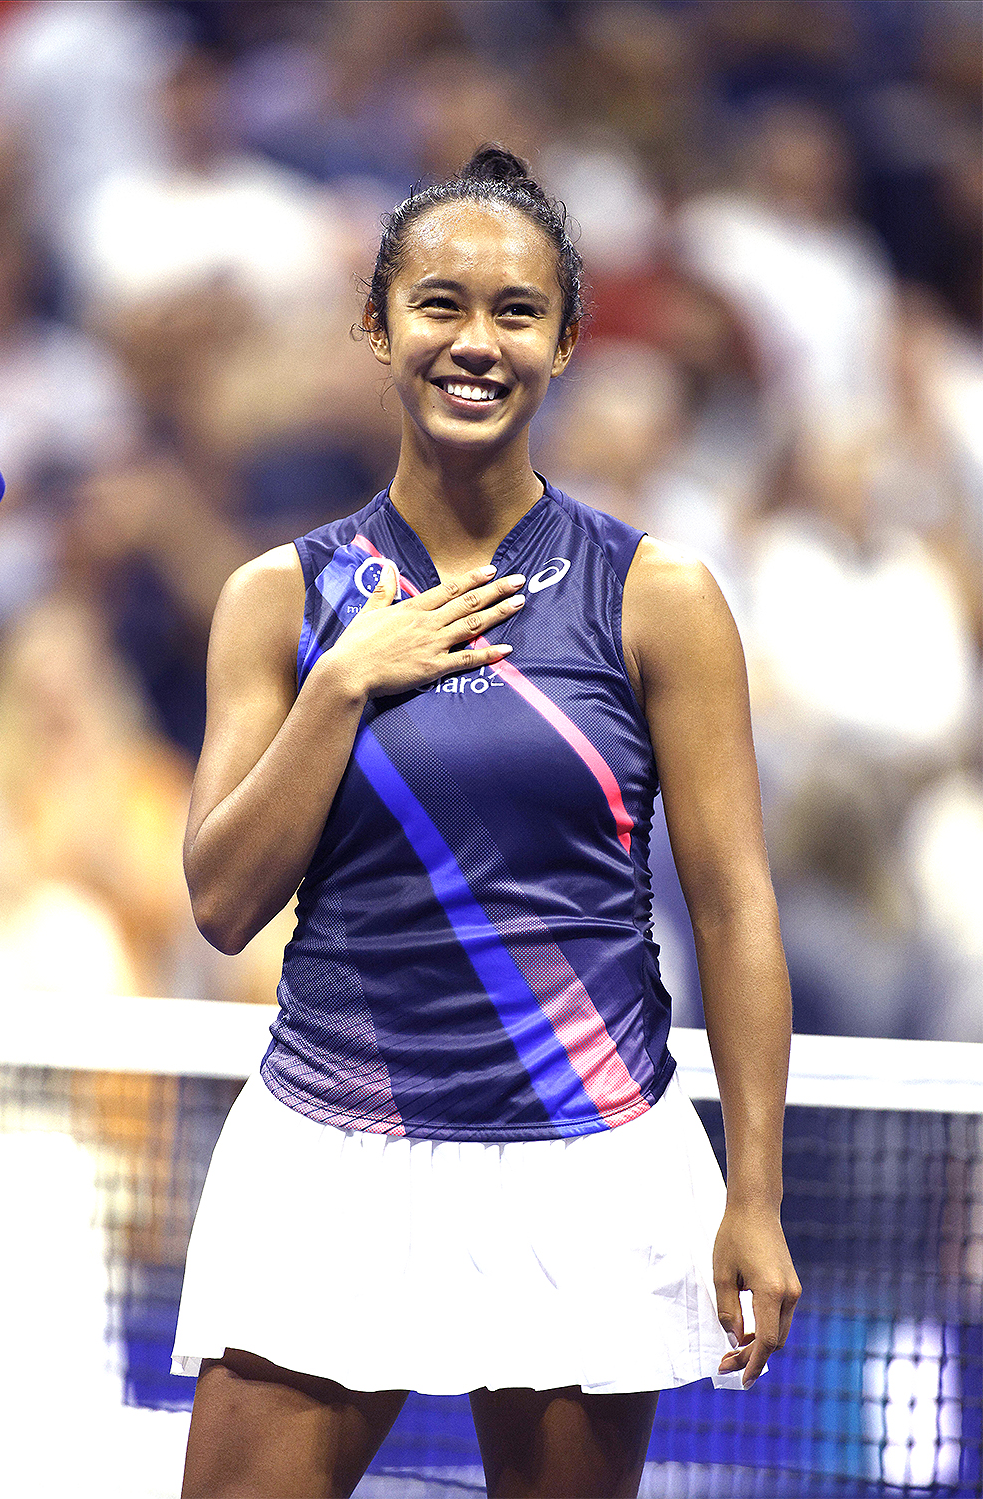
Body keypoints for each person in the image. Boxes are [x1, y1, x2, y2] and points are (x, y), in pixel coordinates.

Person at [171, 145, 801, 1499]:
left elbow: (740, 904)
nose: (476, 340)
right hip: (331, 1157)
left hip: (588, 1161)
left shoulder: (659, 597)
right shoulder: (278, 602)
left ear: (568, 341)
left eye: (516, 312)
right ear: (377, 325)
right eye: (439, 303)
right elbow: (222, 905)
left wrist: (754, 1190)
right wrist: (343, 684)